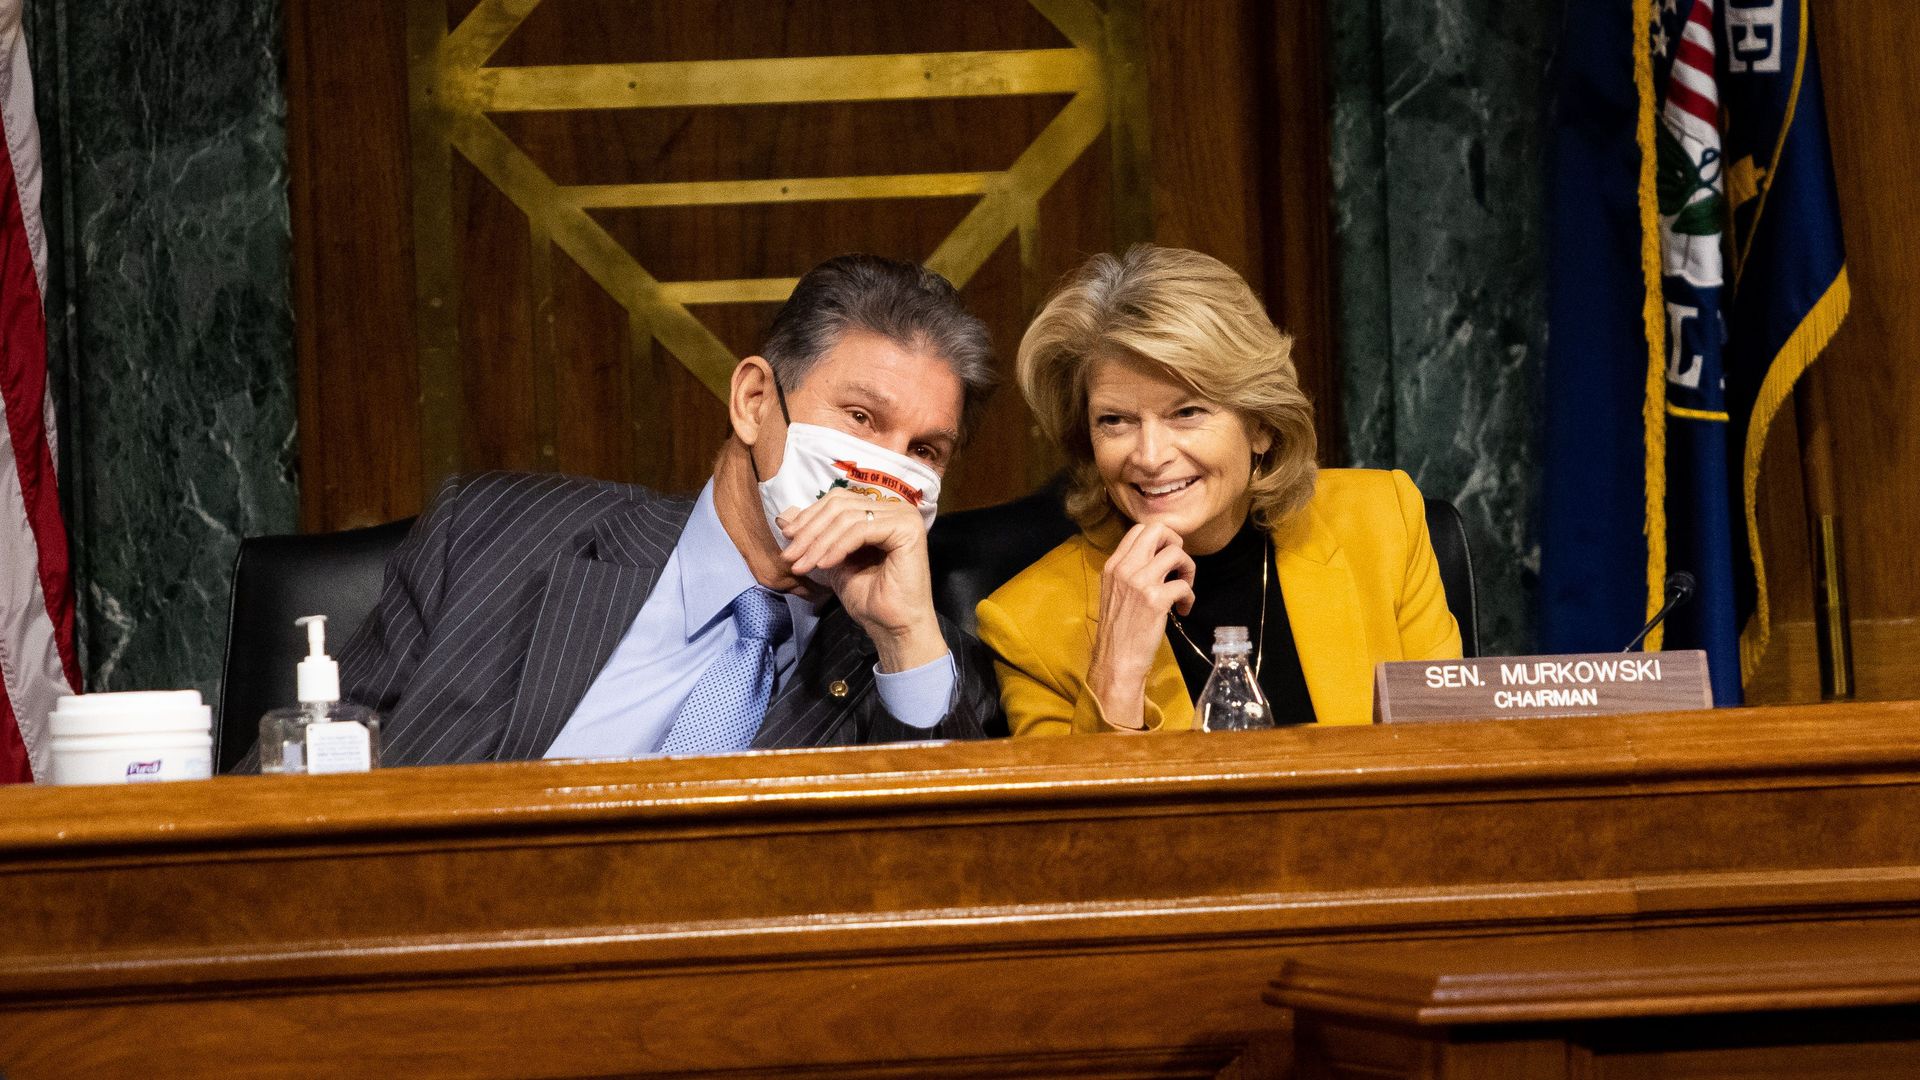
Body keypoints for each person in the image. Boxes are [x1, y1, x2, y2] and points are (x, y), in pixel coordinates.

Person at [282, 255, 1003, 767]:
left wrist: (900, 636)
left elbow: (952, 892)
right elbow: (283, 795)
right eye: (860, 417)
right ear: (754, 401)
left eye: (927, 451)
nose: (887, 472)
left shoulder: (929, 670)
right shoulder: (489, 535)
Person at [976, 246, 1460, 736]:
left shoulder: (1382, 522)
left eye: (1186, 412)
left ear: (1261, 425)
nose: (1149, 455)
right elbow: (1074, 815)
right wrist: (1116, 672)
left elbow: (1453, 754)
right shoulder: (1028, 624)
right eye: (1115, 421)